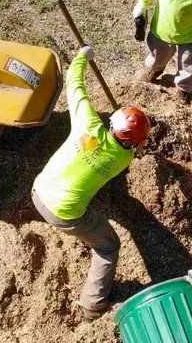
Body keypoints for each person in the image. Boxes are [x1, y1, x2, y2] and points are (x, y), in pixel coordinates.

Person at [32, 46, 151, 319]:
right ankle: (93, 305)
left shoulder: (87, 125)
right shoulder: (124, 159)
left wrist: (82, 56)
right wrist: (138, 147)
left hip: (39, 191)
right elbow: (132, 148)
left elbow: (75, 85)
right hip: (65, 214)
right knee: (108, 246)